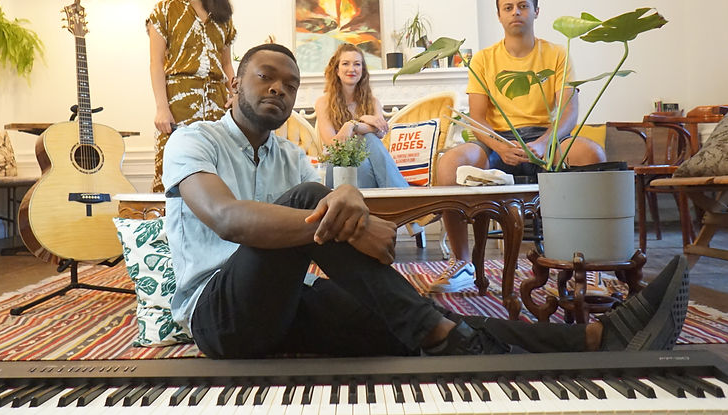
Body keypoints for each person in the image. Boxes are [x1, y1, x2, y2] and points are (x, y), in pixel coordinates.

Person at [161, 42, 688, 359]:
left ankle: (595, 339)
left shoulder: (288, 154)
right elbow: (228, 219)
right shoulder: (194, 140)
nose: (278, 88)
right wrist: (352, 219)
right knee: (312, 197)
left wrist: (349, 204)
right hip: (220, 318)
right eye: (265, 77)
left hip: (286, 305)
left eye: (290, 83)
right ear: (234, 84)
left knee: (415, 317)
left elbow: (328, 210)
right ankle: (438, 332)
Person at [429, 0, 607, 294]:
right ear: (499, 15)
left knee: (592, 154)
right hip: (497, 140)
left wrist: (545, 143)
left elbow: (568, 112)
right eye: (508, 7)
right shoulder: (483, 59)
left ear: (536, 11)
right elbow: (478, 118)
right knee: (449, 164)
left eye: (523, 6)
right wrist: (500, 145)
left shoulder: (557, 53)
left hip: (544, 138)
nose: (516, 12)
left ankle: (589, 265)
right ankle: (461, 262)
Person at [147, 0, 236, 192]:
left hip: (218, 107)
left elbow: (226, 64)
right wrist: (162, 108)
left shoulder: (223, 15)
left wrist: (235, 96)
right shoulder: (163, 11)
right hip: (179, 106)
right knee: (173, 175)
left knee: (219, 174)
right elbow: (156, 64)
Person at [314, 43, 425, 237]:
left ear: (363, 70)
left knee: (368, 149)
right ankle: (409, 209)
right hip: (338, 165)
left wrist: (353, 125)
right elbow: (333, 144)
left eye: (357, 64)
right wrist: (358, 124)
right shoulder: (323, 102)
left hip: (364, 164)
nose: (352, 69)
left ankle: (366, 227)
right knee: (369, 140)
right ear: (336, 70)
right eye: (346, 63)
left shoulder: (372, 102)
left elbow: (380, 131)